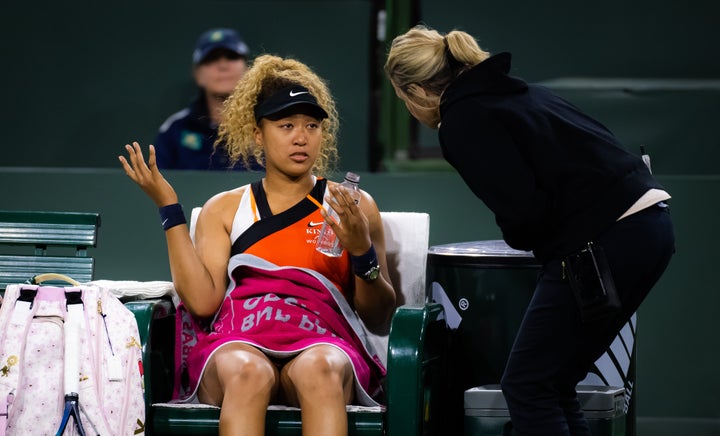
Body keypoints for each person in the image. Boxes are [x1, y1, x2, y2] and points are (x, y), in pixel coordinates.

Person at [385, 25, 675, 435]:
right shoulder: (517, 94)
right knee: (552, 384)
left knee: (528, 385)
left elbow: (524, 212)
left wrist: (526, 238)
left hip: (609, 240)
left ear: (415, 92)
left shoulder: (463, 119)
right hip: (650, 227)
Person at [120, 54, 396, 436]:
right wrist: (169, 208)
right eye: (286, 126)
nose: (301, 137)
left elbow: (379, 315)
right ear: (257, 134)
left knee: (320, 369)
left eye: (312, 126)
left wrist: (362, 250)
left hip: (323, 340)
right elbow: (202, 302)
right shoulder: (226, 208)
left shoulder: (353, 206)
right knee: (248, 372)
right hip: (241, 339)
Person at [154, 28, 256, 170]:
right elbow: (155, 185)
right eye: (211, 59)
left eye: (231, 57)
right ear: (197, 74)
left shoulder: (267, 125)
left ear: (247, 68)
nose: (223, 66)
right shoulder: (175, 130)